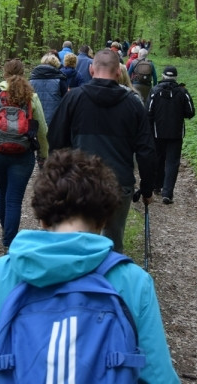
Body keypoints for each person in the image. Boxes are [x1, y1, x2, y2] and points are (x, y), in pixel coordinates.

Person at [0, 149, 180, 384]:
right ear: (103, 221)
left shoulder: (4, 273)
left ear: (42, 219)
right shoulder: (134, 280)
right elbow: (158, 375)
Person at [48, 49, 158, 252]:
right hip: (119, 182)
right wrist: (147, 188)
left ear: (91, 69)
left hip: (81, 182)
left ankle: (83, 280)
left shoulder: (74, 99)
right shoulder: (133, 104)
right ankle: (109, 278)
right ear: (118, 72)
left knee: (82, 240)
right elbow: (146, 150)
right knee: (113, 241)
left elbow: (55, 140)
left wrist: (57, 179)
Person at [0, 59, 49, 248]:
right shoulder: (31, 97)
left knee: (2, 193)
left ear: (4, 74)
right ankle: (10, 242)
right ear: (24, 73)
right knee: (14, 198)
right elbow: (42, 130)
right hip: (23, 155)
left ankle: (6, 233)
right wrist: (44, 155)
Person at [147, 66, 195, 205]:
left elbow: (148, 111)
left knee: (159, 158)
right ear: (175, 77)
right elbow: (190, 112)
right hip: (176, 134)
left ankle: (157, 186)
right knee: (172, 162)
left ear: (162, 76)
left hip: (157, 133)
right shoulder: (182, 92)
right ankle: (167, 193)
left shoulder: (155, 91)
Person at [28, 53, 68, 127]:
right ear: (56, 64)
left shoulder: (31, 80)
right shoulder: (60, 80)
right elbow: (66, 99)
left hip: (36, 116)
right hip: (55, 117)